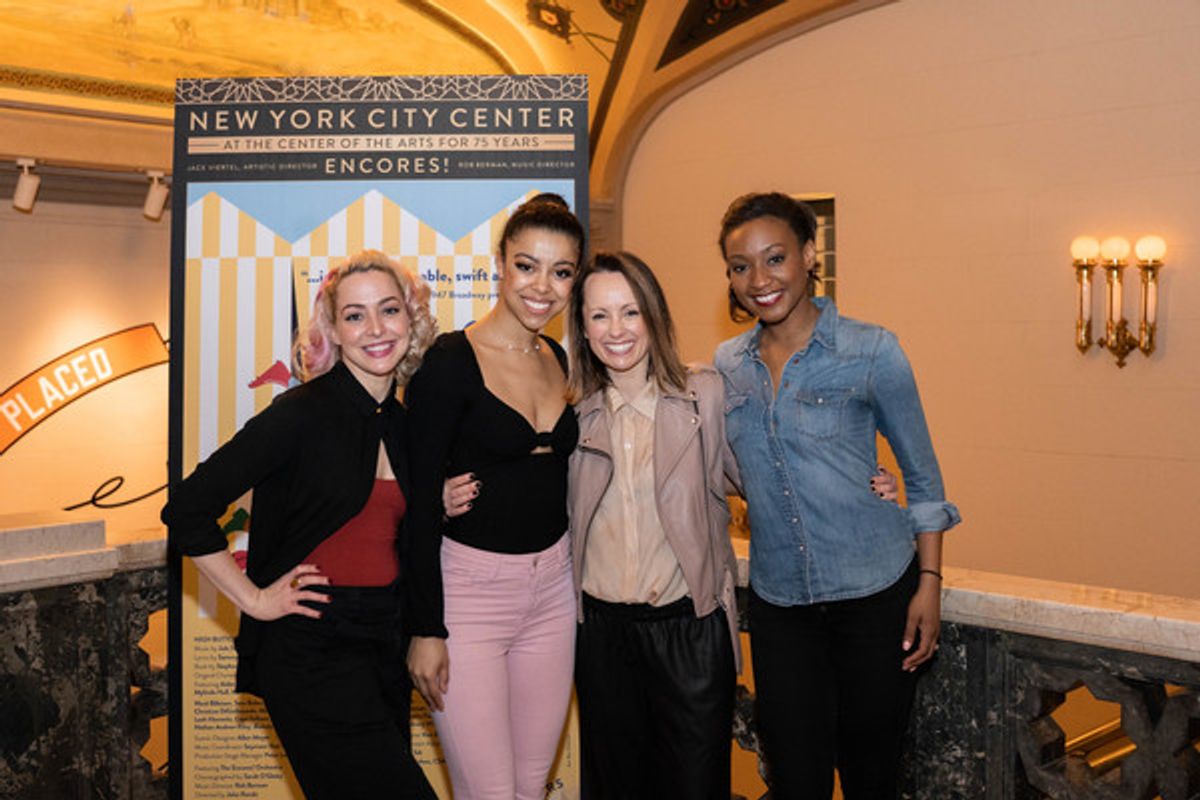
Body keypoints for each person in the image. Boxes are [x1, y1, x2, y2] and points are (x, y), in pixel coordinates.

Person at [162, 251, 439, 799]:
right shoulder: (301, 414)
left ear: (412, 318)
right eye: (355, 315)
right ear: (333, 330)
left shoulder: (407, 425)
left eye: (389, 310)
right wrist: (256, 600)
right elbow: (188, 508)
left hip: (384, 645)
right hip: (312, 649)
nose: (376, 329)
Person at [713, 192, 961, 800]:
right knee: (795, 779)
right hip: (780, 606)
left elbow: (924, 478)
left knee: (870, 776)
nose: (759, 280)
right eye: (740, 266)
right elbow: (726, 467)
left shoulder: (872, 351)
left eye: (774, 259)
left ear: (807, 255)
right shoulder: (726, 367)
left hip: (876, 594)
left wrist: (929, 581)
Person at [404, 194, 584, 800]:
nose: (543, 287)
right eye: (527, 265)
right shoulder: (450, 362)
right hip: (469, 602)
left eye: (561, 272)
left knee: (531, 787)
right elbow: (415, 503)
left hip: (553, 592)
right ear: (500, 264)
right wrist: (426, 628)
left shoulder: (558, 357)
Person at [563, 250, 740, 799]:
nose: (616, 330)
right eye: (599, 315)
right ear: (583, 329)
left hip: (690, 632)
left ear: (654, 317)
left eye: (630, 311)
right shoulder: (569, 413)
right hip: (601, 640)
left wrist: (867, 482)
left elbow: (770, 476)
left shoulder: (704, 396)